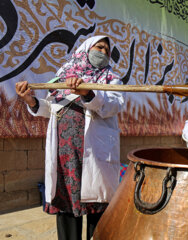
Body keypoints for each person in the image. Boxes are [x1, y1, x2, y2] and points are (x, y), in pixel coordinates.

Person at [15, 35, 124, 240]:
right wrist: (31, 100)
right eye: (99, 47)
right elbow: (50, 107)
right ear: (85, 49)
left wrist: (88, 92)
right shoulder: (62, 76)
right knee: (66, 201)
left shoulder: (111, 79)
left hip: (94, 151)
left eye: (106, 51)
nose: (103, 53)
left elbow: (114, 105)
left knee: (96, 207)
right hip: (65, 152)